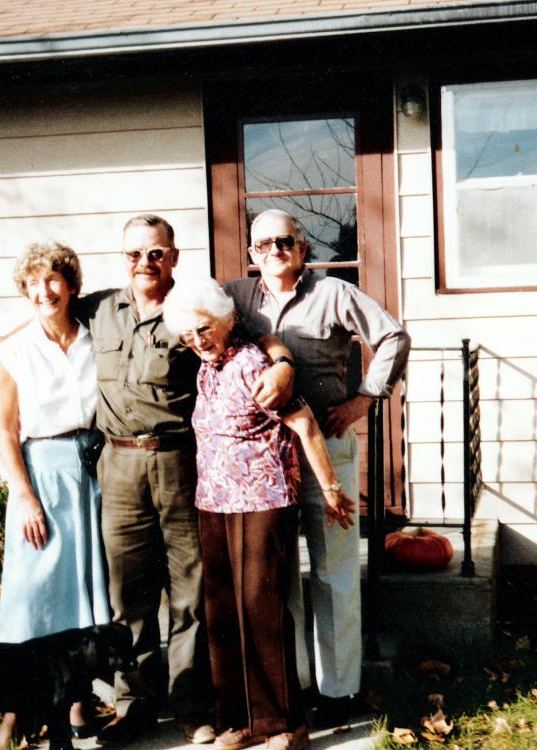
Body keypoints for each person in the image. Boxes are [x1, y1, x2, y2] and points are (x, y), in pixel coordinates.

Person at [0, 215, 296, 746]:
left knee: (191, 590)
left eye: (156, 253)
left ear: (173, 255)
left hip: (180, 462)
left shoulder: (192, 303)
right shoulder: (99, 307)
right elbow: (42, 308)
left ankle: (194, 707)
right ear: (123, 260)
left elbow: (253, 334)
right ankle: (136, 703)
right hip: (117, 466)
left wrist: (281, 364)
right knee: (130, 594)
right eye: (134, 254)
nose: (145, 262)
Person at [225, 208, 411, 725]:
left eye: (285, 241)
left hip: (327, 450)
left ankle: (340, 691)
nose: (275, 251)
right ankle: (295, 684)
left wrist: (365, 398)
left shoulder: (333, 294)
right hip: (264, 459)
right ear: (252, 253)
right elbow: (190, 318)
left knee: (333, 570)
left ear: (302, 248)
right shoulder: (238, 298)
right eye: (264, 244)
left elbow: (393, 336)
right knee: (279, 575)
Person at [162, 278, 355, 750]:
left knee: (261, 608)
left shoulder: (253, 363)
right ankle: (240, 720)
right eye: (188, 335)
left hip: (264, 500)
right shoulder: (205, 367)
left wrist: (331, 488)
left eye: (204, 329)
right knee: (224, 612)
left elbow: (304, 422)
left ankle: (284, 724)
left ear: (226, 320)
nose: (197, 341)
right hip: (215, 502)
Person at [0, 241, 110, 749]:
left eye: (54, 279)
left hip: (96, 469)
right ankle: (14, 713)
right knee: (31, 592)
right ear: (25, 290)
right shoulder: (15, 351)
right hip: (43, 475)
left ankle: (79, 702)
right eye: (34, 283)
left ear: (72, 285)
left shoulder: (96, 339)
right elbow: (5, 429)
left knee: (85, 589)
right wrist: (26, 498)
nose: (45, 291)